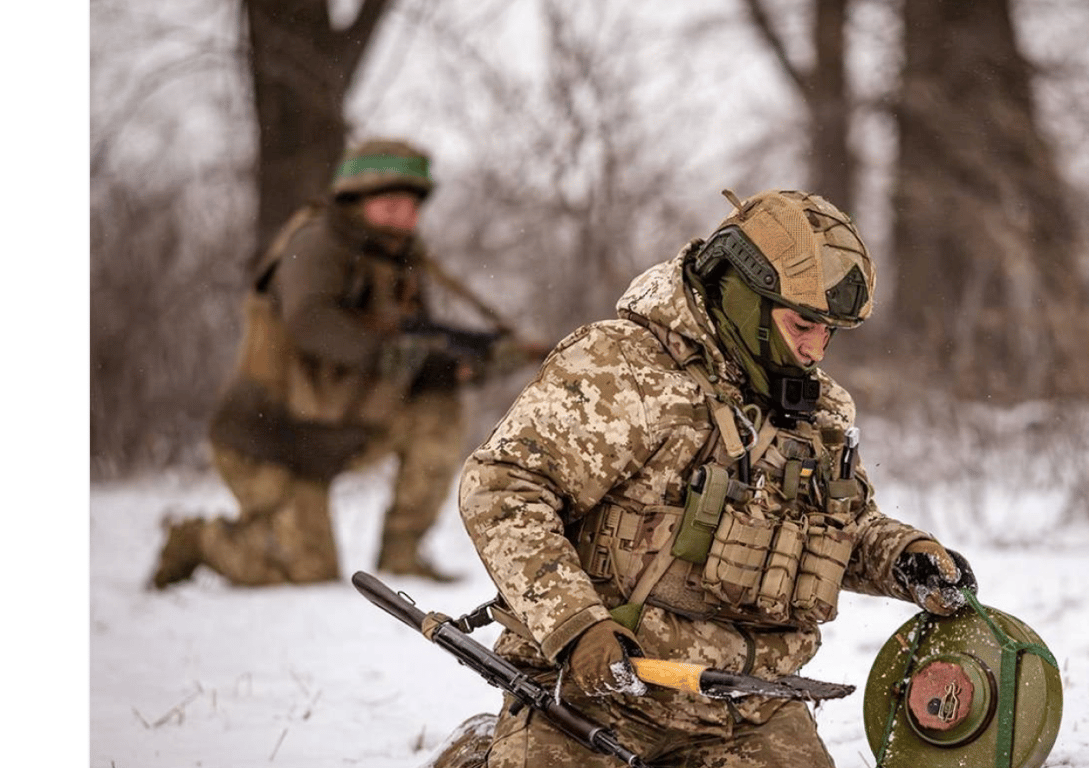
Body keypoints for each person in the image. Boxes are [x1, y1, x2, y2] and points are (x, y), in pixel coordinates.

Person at [456, 189, 977, 766]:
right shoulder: (624, 368)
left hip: (751, 709)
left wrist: (903, 556)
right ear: (744, 297)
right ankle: (483, 752)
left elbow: (838, 530)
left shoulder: (821, 409)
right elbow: (502, 487)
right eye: (803, 324)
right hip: (598, 697)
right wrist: (577, 628)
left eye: (830, 332)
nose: (815, 350)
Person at [153, 138, 537, 588]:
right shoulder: (318, 243)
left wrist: (472, 363)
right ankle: (197, 539)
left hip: (337, 431)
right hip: (268, 438)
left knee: (439, 405)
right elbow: (310, 321)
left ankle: (402, 551)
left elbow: (420, 343)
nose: (405, 217)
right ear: (354, 201)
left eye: (412, 207)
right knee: (306, 571)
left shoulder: (399, 263)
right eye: (391, 205)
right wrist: (400, 359)